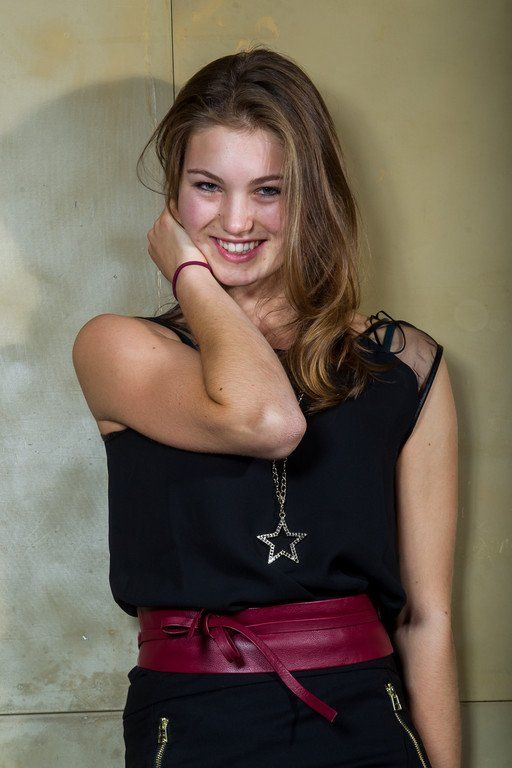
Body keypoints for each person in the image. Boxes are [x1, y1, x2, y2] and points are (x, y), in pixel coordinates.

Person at [72, 47, 461, 767]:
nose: (236, 219)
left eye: (269, 190)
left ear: (311, 197)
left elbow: (427, 618)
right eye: (207, 186)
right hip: (194, 723)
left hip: (369, 724)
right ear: (172, 198)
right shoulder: (119, 348)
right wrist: (192, 274)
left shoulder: (404, 364)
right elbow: (267, 422)